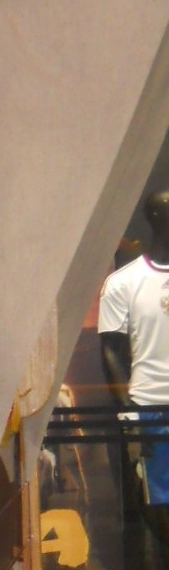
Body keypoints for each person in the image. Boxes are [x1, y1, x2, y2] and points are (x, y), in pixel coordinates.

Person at [99, 189, 169, 519]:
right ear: (155, 219)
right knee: (156, 500)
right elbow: (110, 350)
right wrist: (128, 409)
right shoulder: (123, 283)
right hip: (149, 407)